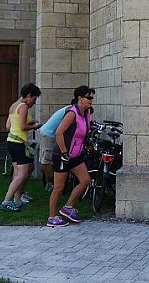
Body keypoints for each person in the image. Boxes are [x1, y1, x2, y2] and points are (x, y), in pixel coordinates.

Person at [46, 85, 94, 227]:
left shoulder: (87, 113)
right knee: (59, 187)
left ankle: (68, 207)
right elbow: (59, 133)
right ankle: (51, 217)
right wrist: (64, 153)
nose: (91, 100)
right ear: (80, 98)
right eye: (89, 98)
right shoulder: (72, 113)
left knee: (85, 180)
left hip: (76, 154)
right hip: (63, 155)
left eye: (92, 98)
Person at [0, 83, 43, 211]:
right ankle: (6, 201)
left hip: (12, 141)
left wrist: (30, 122)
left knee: (18, 173)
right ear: (28, 95)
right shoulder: (23, 107)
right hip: (19, 143)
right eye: (34, 99)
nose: (34, 102)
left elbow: (8, 125)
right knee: (22, 174)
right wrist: (35, 126)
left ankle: (17, 200)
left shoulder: (14, 106)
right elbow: (23, 127)